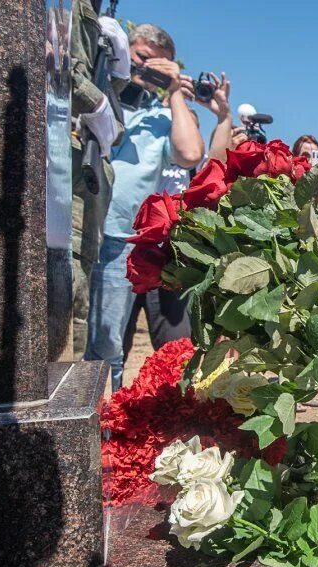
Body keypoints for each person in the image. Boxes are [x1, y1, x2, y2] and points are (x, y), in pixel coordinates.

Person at [84, 24, 206, 391]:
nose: (143, 67)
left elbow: (190, 153)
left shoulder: (161, 116)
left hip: (123, 239)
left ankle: (102, 427)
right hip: (83, 225)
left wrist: (175, 94)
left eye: (155, 64)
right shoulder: (99, 91)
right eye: (138, 57)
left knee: (107, 345)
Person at [67, 1, 129, 359]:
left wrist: (117, 73)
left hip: (86, 175)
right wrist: (97, 102)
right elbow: (60, 69)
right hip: (70, 169)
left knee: (76, 293)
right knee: (68, 291)